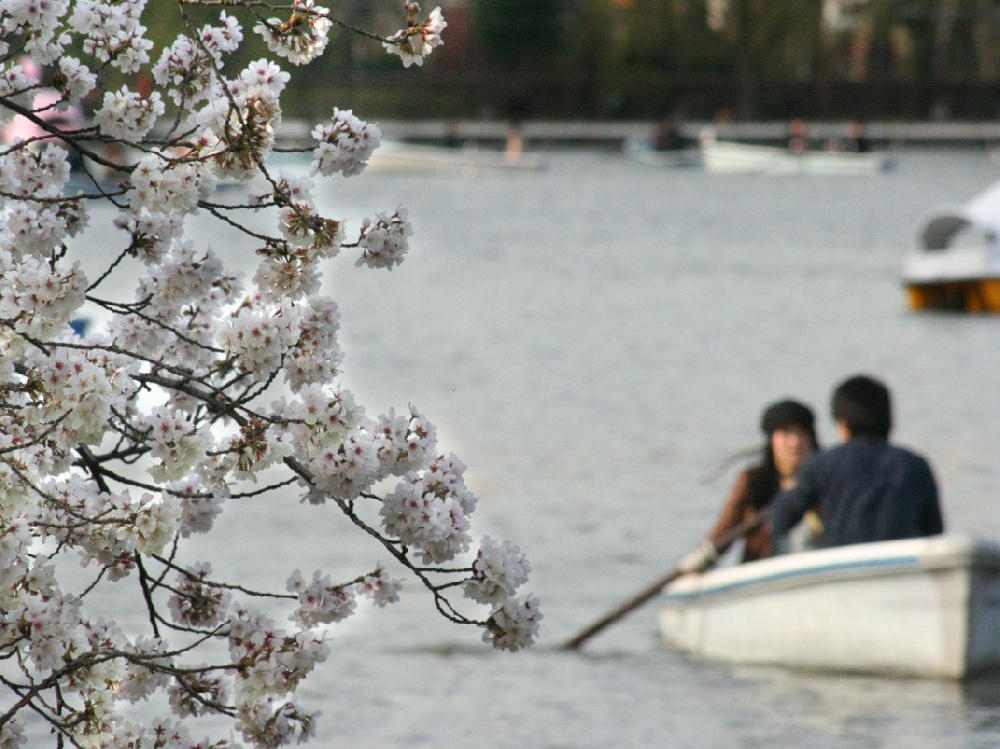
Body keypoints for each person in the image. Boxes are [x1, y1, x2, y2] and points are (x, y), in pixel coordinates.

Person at [770, 374, 944, 551]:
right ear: (889, 421)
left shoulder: (821, 465)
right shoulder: (916, 466)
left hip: (843, 570)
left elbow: (780, 520)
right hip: (898, 567)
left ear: (842, 425)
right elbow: (934, 533)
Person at [678, 399, 818, 573]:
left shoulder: (828, 480)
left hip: (816, 572)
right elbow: (723, 534)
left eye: (801, 433)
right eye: (786, 433)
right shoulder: (754, 482)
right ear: (772, 440)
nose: (795, 442)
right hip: (765, 575)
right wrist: (697, 562)